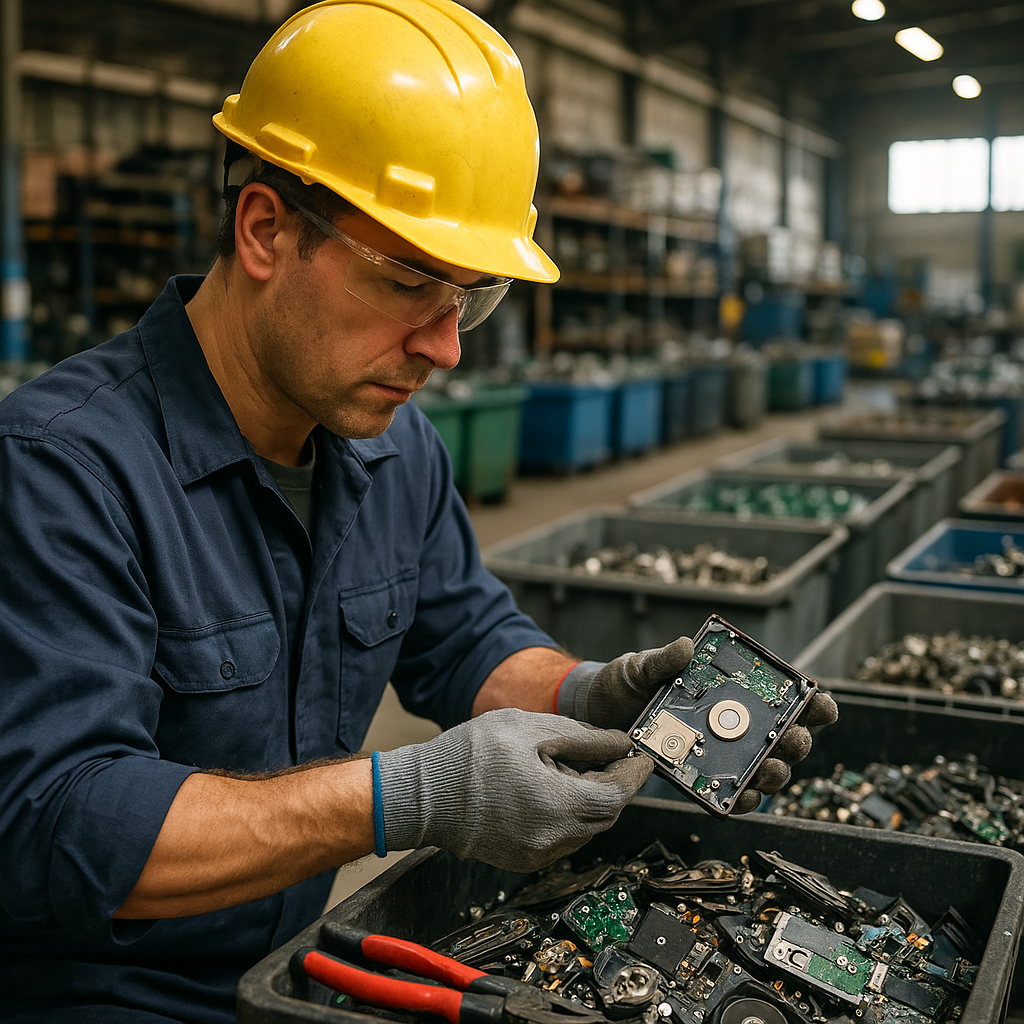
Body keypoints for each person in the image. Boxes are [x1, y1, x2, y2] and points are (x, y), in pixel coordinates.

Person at [0, 2, 836, 1022]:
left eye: (468, 299)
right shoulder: (61, 467)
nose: (445, 348)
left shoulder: (388, 447)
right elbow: (57, 825)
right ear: (263, 229)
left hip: (289, 968)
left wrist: (592, 694)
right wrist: (406, 796)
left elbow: (462, 642)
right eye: (408, 282)